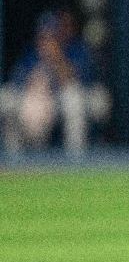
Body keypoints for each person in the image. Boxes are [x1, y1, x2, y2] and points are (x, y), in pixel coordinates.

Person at [0, 10, 106, 155]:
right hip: (35, 102)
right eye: (44, 35)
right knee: (6, 97)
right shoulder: (31, 54)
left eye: (51, 35)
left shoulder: (75, 50)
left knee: (73, 100)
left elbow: (77, 84)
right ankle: (12, 156)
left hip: (63, 101)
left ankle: (75, 156)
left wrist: (56, 59)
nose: (47, 40)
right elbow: (17, 82)